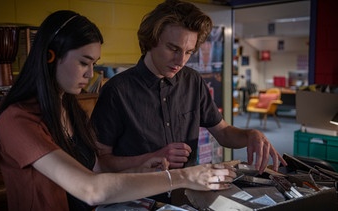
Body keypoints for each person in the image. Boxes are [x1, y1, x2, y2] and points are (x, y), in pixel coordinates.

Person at [0, 10, 237, 211]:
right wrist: (184, 176)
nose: (90, 73)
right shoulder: (17, 119)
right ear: (51, 56)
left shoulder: (70, 108)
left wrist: (141, 168)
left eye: (93, 64)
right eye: (83, 62)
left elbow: (98, 170)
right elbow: (91, 189)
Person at [91, 0, 287, 188]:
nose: (180, 60)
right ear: (151, 40)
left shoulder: (193, 80)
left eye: (188, 52)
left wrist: (250, 134)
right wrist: (152, 157)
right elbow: (101, 162)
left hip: (186, 192)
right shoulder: (117, 90)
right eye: (173, 48)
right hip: (135, 196)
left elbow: (224, 133)